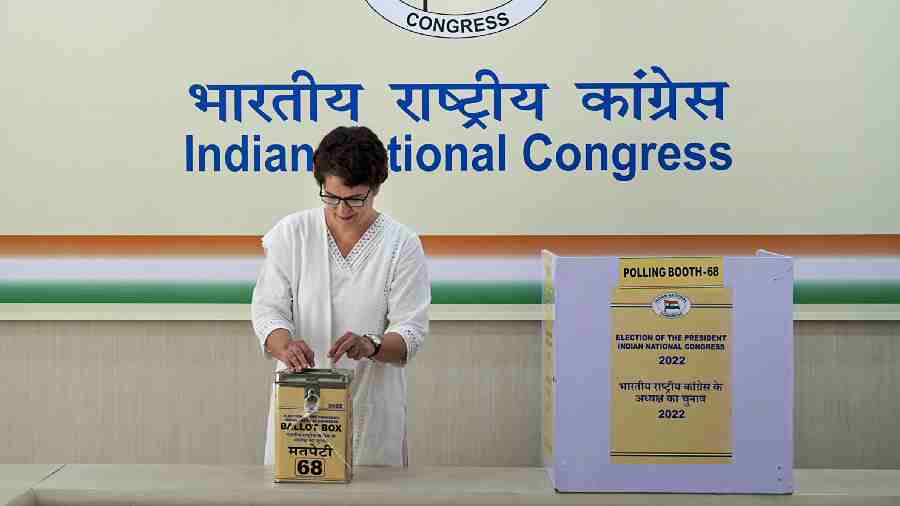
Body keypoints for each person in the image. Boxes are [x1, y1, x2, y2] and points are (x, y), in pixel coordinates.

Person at [250, 126, 430, 467]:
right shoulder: (293, 234)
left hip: (373, 408)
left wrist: (372, 345)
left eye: (355, 199)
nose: (342, 209)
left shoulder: (401, 245)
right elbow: (267, 312)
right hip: (301, 406)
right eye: (332, 197)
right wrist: (284, 345)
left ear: (375, 189)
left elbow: (412, 332)